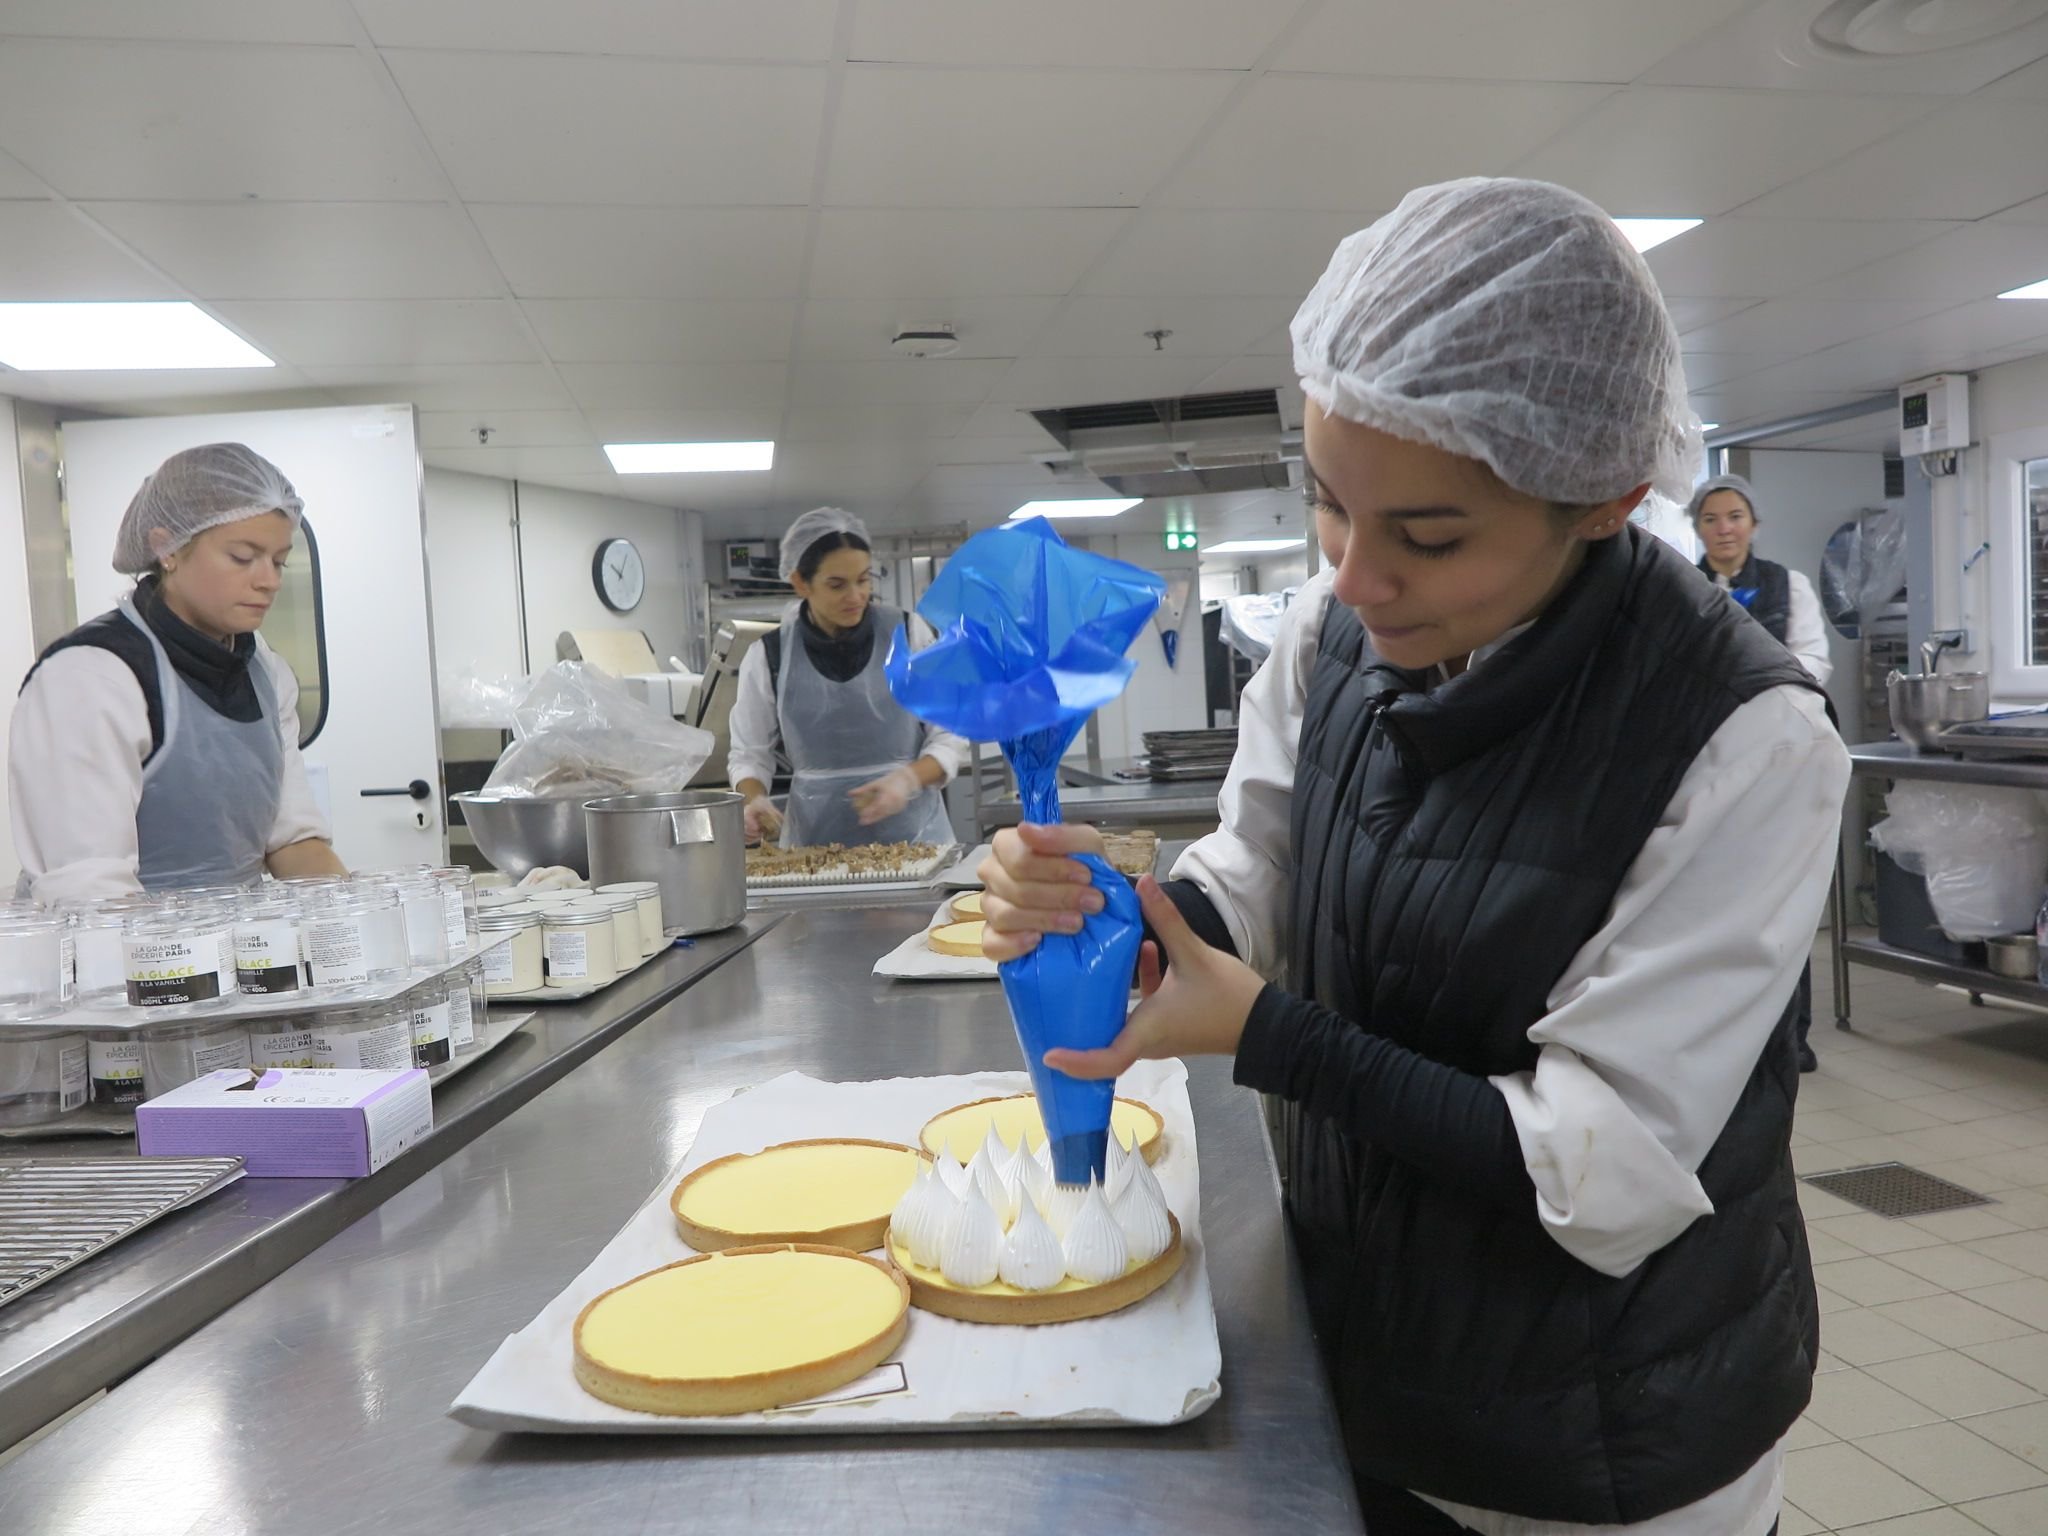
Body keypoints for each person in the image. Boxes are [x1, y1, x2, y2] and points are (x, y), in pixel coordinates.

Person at [983, 180, 1847, 1536]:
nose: (1355, 574)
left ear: (1605, 501)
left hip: (1599, 1448)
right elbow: (1260, 862)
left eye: (1428, 536)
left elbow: (1601, 1167)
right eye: (1331, 505)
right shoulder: (1332, 626)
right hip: (1367, 1371)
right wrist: (1131, 913)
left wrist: (1270, 1035)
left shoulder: (1745, 738)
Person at [10, 443, 346, 903]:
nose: (268, 580)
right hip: (112, 956)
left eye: (279, 560)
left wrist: (354, 918)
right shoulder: (92, 677)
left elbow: (291, 840)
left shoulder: (264, 671)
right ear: (167, 547)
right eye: (243, 558)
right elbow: (89, 890)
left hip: (233, 954)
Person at [1691, 472, 1833, 1072]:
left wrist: (1748, 682)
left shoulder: (1787, 585)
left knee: (1783, 902)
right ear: (1696, 527)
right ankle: (1721, 1036)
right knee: (1713, 906)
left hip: (1780, 762)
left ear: (1753, 523)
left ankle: (1788, 1038)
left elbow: (1813, 662)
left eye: (1735, 517)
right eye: (1711, 519)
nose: (1724, 530)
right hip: (1706, 765)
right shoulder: (1679, 586)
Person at [728, 507, 965, 848]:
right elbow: (749, 754)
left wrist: (907, 779)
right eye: (837, 584)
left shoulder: (908, 635)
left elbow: (950, 733)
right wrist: (753, 800)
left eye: (864, 579)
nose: (856, 596)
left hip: (917, 842)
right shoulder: (769, 656)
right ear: (800, 582)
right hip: (812, 849)